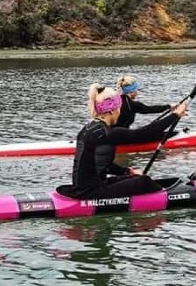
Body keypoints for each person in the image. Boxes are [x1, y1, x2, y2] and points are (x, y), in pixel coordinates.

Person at [57, 84, 188, 200]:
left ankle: (159, 190)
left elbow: (101, 165)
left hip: (84, 188)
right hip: (91, 193)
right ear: (113, 110)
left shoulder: (88, 128)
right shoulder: (107, 132)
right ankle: (171, 196)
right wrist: (175, 115)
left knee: (135, 178)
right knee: (144, 181)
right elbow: (143, 134)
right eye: (119, 108)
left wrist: (127, 171)